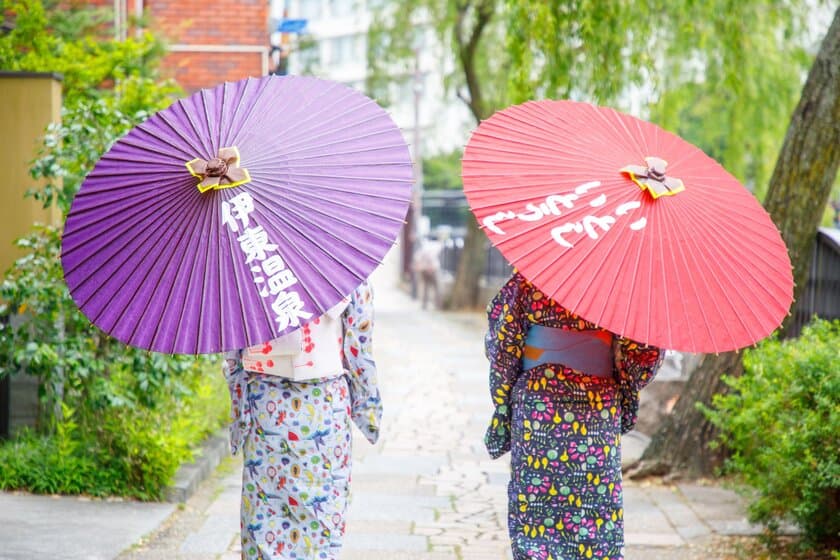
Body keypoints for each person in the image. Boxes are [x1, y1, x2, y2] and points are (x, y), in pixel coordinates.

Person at [484, 272, 663, 560]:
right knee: (594, 511)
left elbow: (503, 347)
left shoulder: (533, 279)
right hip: (596, 408)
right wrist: (620, 376)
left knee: (537, 509)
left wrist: (505, 402)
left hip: (539, 406)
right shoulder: (621, 285)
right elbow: (643, 352)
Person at [222, 280, 381, 560]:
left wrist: (240, 411)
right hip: (325, 404)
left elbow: (231, 344)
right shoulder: (342, 266)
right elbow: (359, 345)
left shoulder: (246, 267)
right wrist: (367, 408)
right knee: (320, 512)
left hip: (266, 401)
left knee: (265, 507)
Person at [412, 233, 443, 310]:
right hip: (433, 268)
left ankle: (424, 305)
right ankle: (438, 305)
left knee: (425, 287)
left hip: (423, 268)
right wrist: (430, 266)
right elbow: (431, 256)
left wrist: (418, 265)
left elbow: (417, 256)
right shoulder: (437, 245)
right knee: (437, 287)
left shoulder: (424, 245)